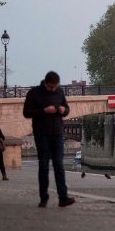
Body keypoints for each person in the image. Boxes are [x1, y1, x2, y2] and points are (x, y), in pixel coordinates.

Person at [23, 71, 75, 208]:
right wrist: (44, 111)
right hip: (42, 133)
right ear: (46, 83)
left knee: (59, 165)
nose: (53, 90)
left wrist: (64, 110)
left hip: (57, 133)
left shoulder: (59, 92)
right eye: (51, 87)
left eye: (55, 87)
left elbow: (67, 109)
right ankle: (43, 197)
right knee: (44, 166)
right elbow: (26, 112)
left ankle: (63, 198)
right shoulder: (34, 93)